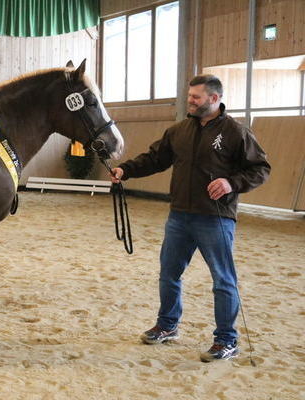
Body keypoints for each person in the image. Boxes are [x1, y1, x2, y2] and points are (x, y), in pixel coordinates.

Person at [110, 74, 270, 362]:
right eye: (189, 96)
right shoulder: (179, 130)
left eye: (196, 97)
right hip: (180, 216)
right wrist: (126, 170)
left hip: (216, 218)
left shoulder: (236, 132)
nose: (190, 101)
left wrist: (231, 183)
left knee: (223, 280)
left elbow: (260, 168)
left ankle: (226, 340)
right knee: (169, 274)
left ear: (214, 98)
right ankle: (168, 325)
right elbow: (154, 158)